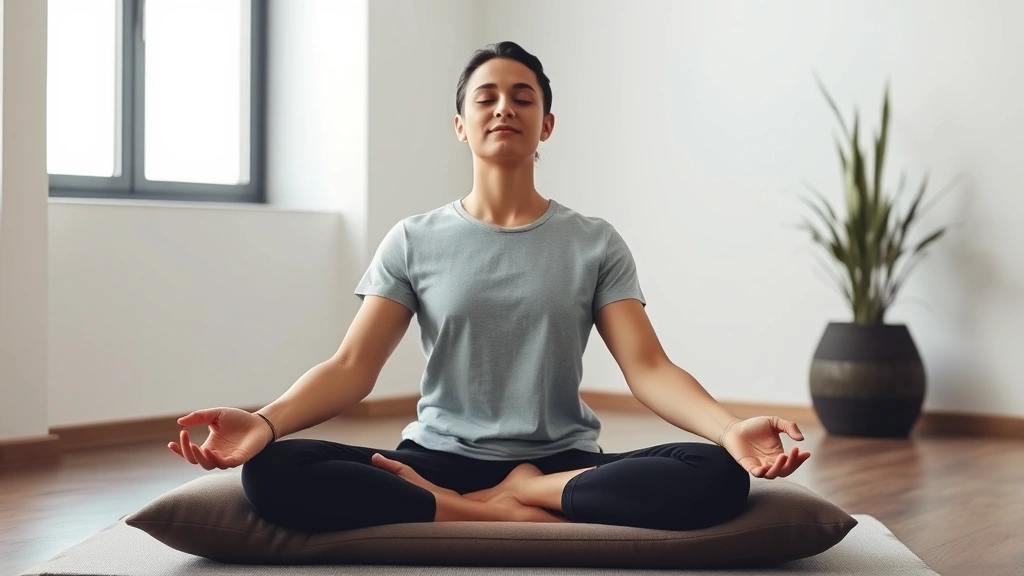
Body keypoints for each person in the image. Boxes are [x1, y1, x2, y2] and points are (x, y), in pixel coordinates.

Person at [169, 41, 810, 534]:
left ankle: (515, 495)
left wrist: (730, 429)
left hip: (561, 461)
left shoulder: (594, 242)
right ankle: (477, 507)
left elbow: (648, 368)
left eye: (523, 98)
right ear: (461, 124)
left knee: (719, 473)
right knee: (273, 470)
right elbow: (351, 367)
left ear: (546, 124)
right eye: (487, 97)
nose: (505, 107)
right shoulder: (413, 239)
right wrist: (265, 421)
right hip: (434, 460)